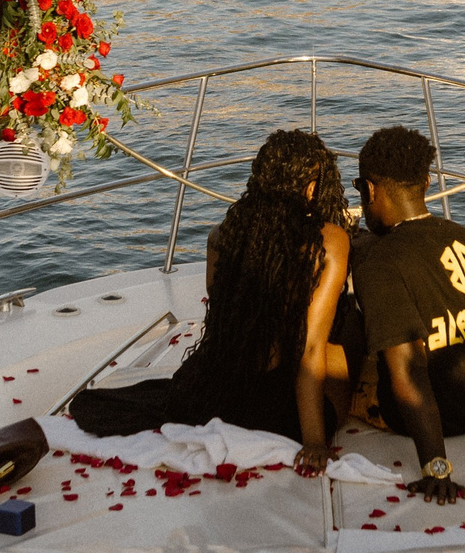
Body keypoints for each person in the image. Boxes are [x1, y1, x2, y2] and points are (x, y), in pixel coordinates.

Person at [66, 129, 353, 467]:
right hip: (273, 413)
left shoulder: (221, 235)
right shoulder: (328, 242)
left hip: (208, 395)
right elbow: (310, 347)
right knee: (348, 321)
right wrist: (315, 442)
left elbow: (224, 316)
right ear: (311, 187)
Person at [344, 124, 465, 505]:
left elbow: (410, 370)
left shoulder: (379, 263)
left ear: (370, 190)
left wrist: (435, 466)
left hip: (449, 420)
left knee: (339, 331)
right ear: (425, 183)